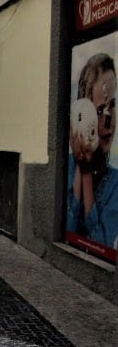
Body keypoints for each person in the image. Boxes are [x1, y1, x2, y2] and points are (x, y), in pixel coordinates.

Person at [67, 52, 118, 252]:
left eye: (112, 106)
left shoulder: (115, 184)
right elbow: (68, 232)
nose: (108, 120)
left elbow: (101, 245)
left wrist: (86, 173)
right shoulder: (69, 167)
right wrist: (82, 169)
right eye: (98, 111)